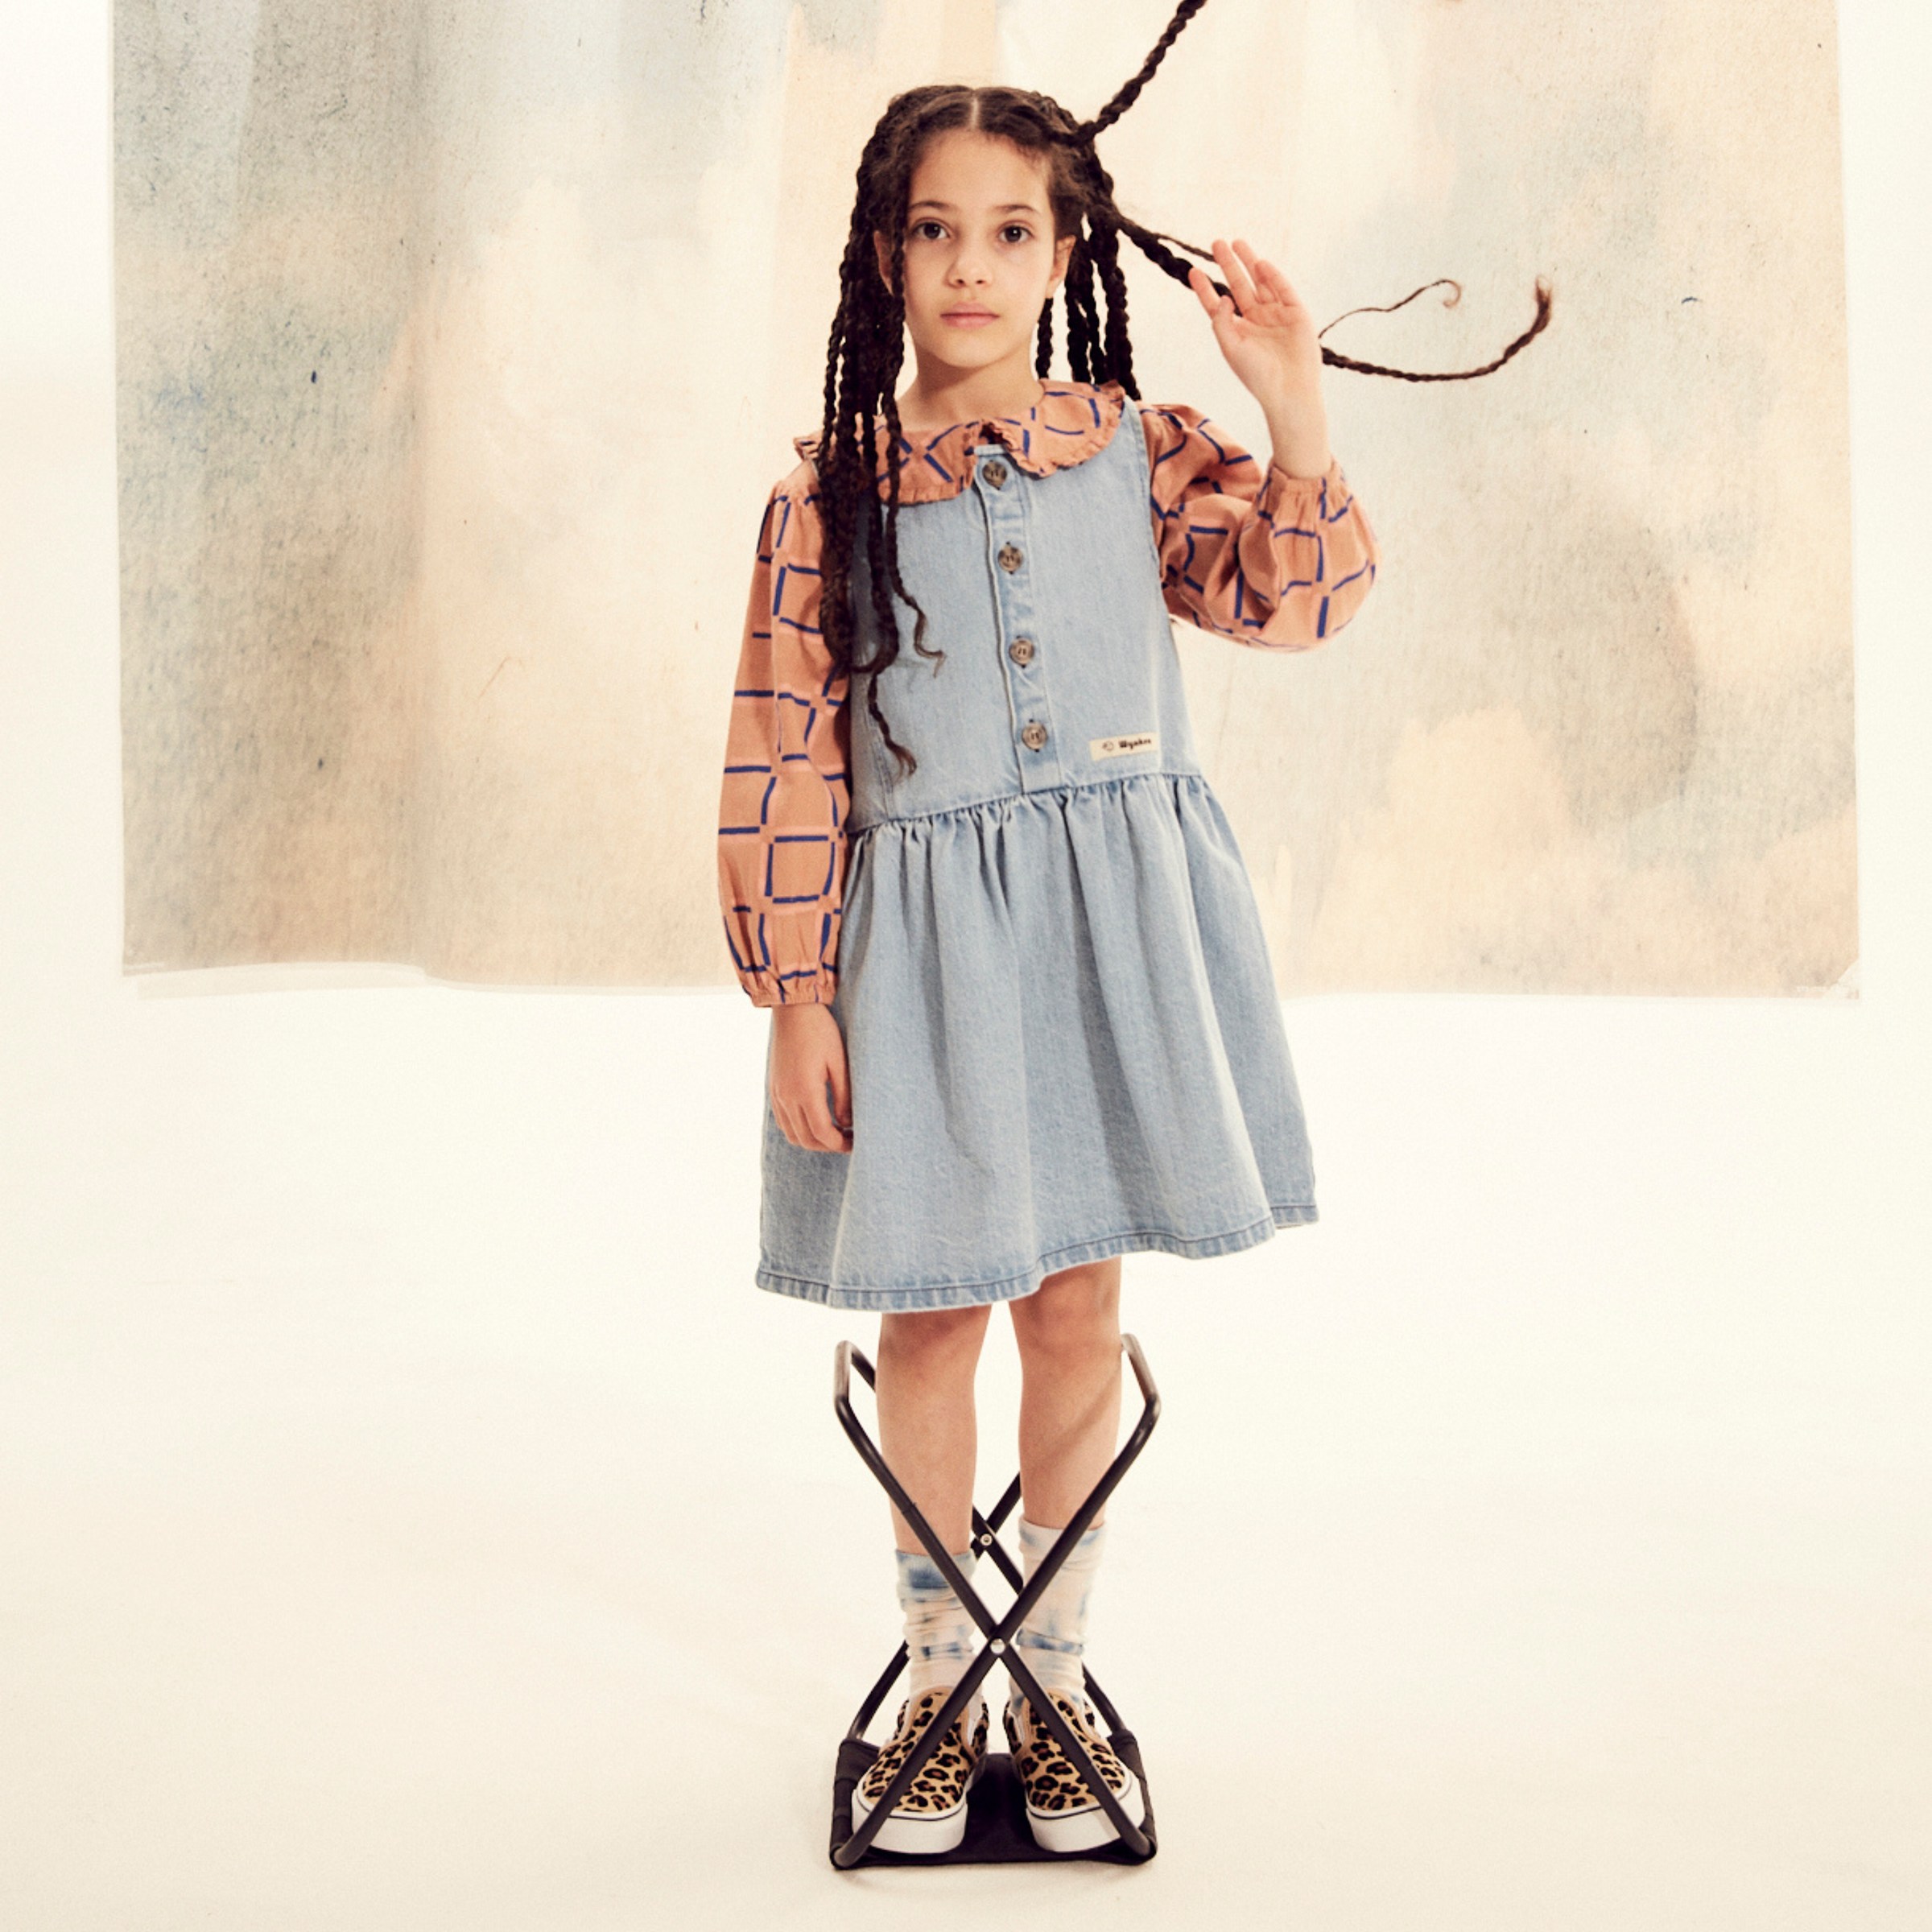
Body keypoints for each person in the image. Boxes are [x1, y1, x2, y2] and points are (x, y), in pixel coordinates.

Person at [716, 0, 1545, 1858]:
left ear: (1066, 250)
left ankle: (1057, 1677)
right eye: (935, 228)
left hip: (1108, 942)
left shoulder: (1134, 449)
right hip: (922, 967)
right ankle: (939, 1680)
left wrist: (1294, 400)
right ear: (882, 254)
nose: (972, 264)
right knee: (933, 1310)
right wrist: (795, 996)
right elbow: (781, 755)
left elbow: (1297, 595)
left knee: (1079, 1299)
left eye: (1012, 229)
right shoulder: (824, 499)